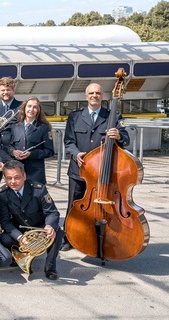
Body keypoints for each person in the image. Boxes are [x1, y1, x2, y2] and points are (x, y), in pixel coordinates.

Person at [63, 83, 128, 250]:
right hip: (79, 170)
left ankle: (97, 236)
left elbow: (126, 140)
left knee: (102, 207)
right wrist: (76, 153)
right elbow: (68, 142)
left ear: (103, 96)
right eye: (91, 93)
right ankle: (69, 237)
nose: (94, 95)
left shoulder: (113, 116)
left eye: (98, 93)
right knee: (74, 204)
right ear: (86, 96)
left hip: (102, 173)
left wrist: (119, 135)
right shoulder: (75, 116)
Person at [0, 160, 62, 280]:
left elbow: (52, 212)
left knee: (57, 231)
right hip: (20, 230)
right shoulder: (2, 194)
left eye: (17, 177)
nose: (13, 182)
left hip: (40, 227)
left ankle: (50, 267)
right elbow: (5, 222)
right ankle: (22, 257)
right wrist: (21, 238)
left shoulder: (38, 189)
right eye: (9, 178)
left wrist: (49, 226)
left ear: (24, 176)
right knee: (5, 238)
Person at [0, 97, 55, 185]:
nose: (31, 109)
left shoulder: (44, 128)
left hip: (35, 173)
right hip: (17, 171)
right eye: (29, 106)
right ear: (24, 108)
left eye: (35, 107)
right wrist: (13, 152)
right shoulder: (15, 126)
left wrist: (31, 154)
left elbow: (50, 151)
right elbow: (8, 146)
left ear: (38, 110)